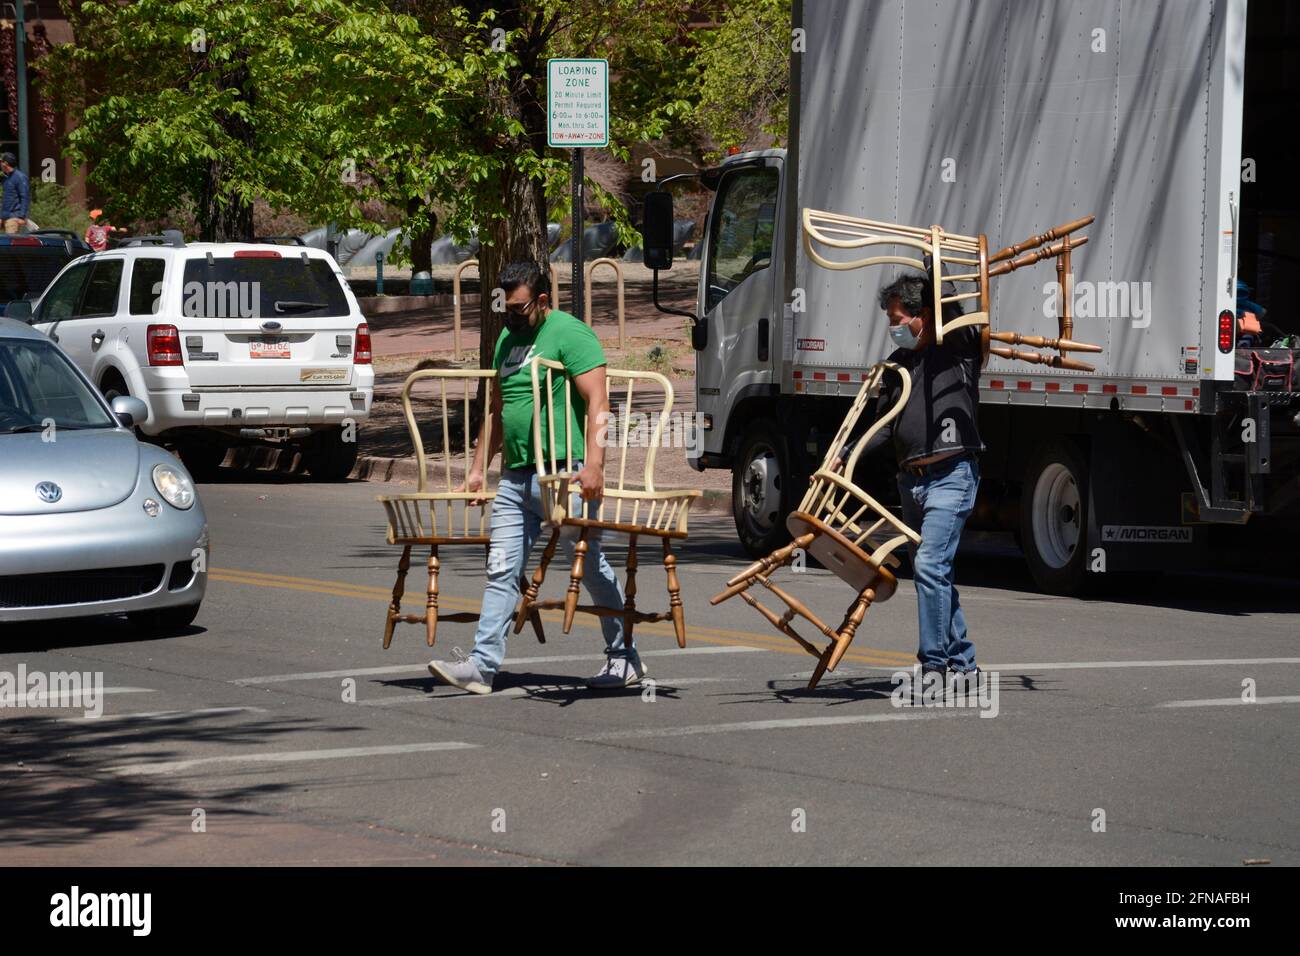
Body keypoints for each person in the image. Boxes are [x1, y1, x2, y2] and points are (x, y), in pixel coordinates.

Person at [426, 260, 645, 695]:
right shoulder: (507, 338)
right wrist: (476, 469)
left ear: (542, 301)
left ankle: (624, 657)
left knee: (590, 566)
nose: (510, 317)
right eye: (504, 309)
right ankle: (482, 666)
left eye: (519, 309)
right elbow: (497, 409)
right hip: (516, 476)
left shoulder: (570, 333)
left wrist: (595, 464)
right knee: (501, 568)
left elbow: (599, 400)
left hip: (565, 473)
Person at [836, 272, 983, 679]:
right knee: (935, 573)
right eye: (889, 320)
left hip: (952, 475)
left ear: (923, 316)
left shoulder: (956, 350)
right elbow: (883, 425)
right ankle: (964, 663)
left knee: (931, 567)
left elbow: (951, 308)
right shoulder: (898, 366)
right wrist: (845, 457)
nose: (893, 328)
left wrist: (932, 260)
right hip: (912, 481)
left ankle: (934, 665)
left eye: (898, 319)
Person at [0, 153, 30, 234]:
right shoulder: (6, 178)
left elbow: (25, 197)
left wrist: (22, 216)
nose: (0, 164)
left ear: (5, 163)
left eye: (1, 162)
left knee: (11, 244)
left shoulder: (20, 177)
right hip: (3, 216)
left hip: (13, 218)